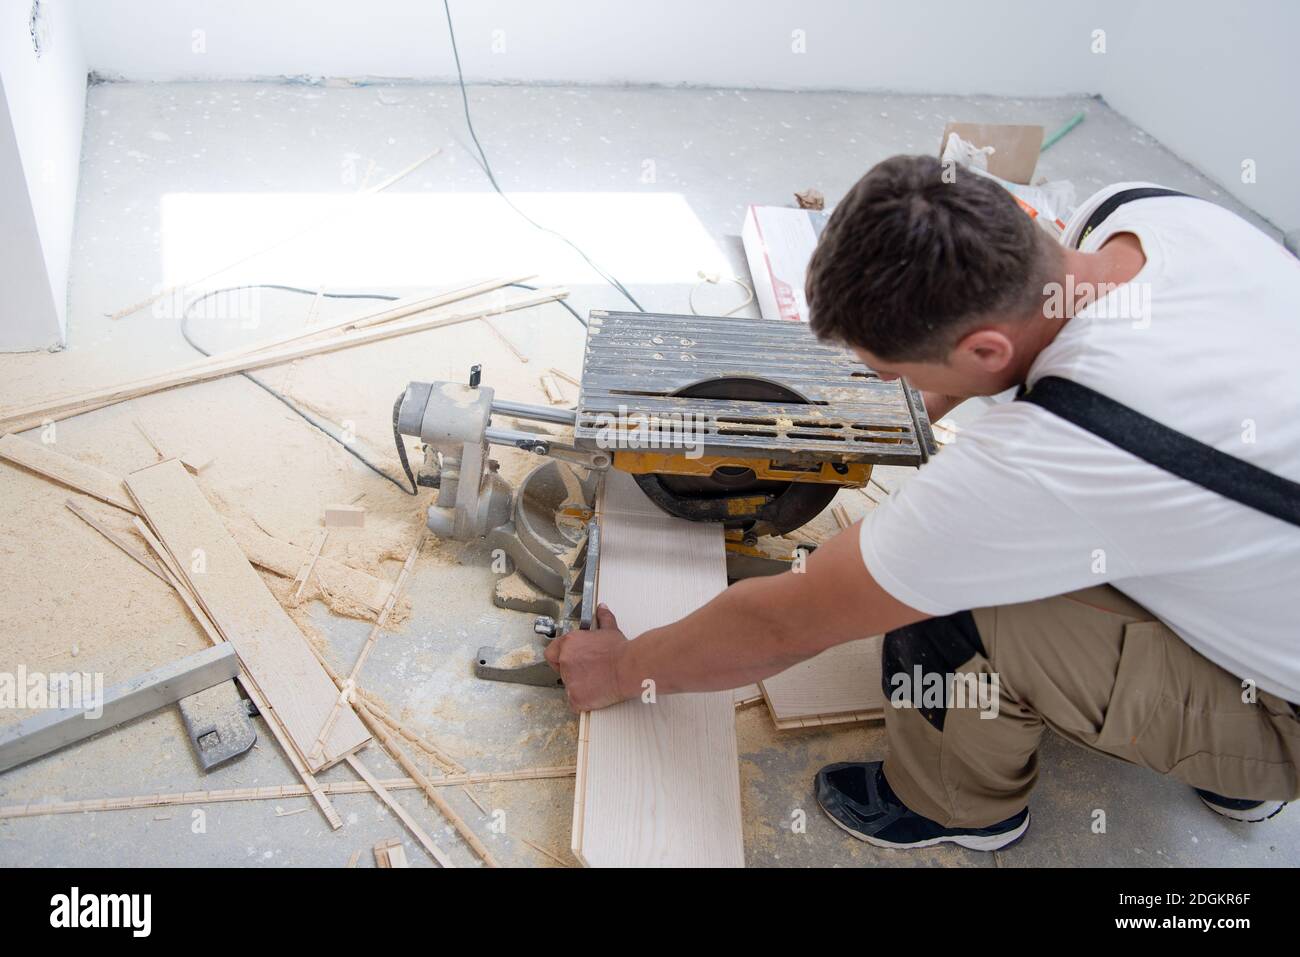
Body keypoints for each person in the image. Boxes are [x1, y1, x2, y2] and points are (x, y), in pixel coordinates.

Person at [545, 155, 1300, 851]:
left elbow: (786, 619)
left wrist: (624, 669)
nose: (884, 386)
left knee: (946, 608)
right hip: (1267, 571)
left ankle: (961, 807)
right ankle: (1225, 744)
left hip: (1285, 714)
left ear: (983, 353)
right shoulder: (1142, 214)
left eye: (884, 372)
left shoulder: (1075, 444)